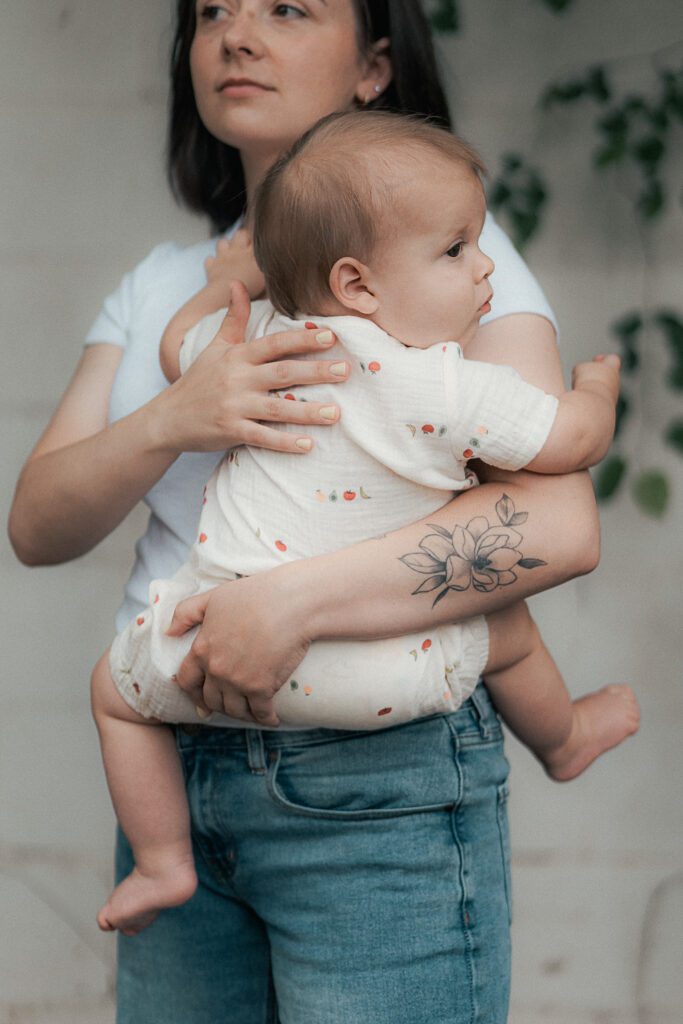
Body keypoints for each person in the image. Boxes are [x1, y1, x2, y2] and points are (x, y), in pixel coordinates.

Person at [8, 2, 619, 1021]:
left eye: (287, 7)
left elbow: (557, 526)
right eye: (213, 12)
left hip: (377, 781)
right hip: (177, 764)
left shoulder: (449, 257)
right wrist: (173, 420)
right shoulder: (167, 286)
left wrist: (285, 606)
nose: (236, 34)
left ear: (375, 65)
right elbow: (36, 524)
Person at [91, 110, 639, 937]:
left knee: (112, 694)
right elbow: (570, 441)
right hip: (379, 685)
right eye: (457, 251)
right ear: (357, 284)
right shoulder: (437, 384)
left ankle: (164, 862)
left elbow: (176, 349)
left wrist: (224, 284)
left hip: (204, 655)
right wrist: (595, 387)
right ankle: (563, 739)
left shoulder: (265, 349)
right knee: (505, 629)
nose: (485, 265)